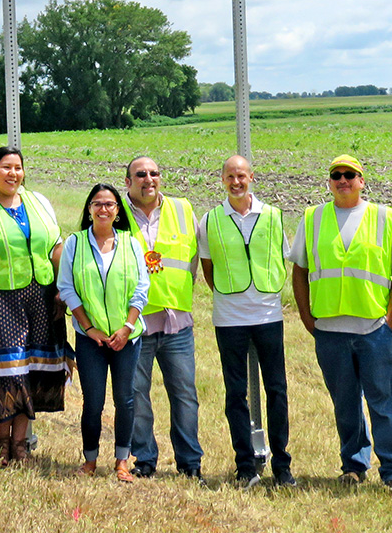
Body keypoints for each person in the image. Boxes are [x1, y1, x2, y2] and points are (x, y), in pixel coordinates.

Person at [289, 154, 392, 493]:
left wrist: (389, 319)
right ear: (329, 182)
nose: (342, 180)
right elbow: (298, 269)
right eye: (336, 175)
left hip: (373, 330)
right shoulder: (313, 218)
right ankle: (354, 465)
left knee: (383, 403)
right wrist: (304, 313)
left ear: (362, 181)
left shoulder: (384, 218)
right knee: (345, 404)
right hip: (330, 331)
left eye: (349, 175)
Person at [0, 146, 68, 465]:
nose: (13, 174)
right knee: (7, 372)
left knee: (32, 370)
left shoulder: (39, 202)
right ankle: (1, 442)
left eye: (18, 167)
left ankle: (20, 444)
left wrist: (62, 291)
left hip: (42, 300)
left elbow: (57, 247)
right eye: (6, 167)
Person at [198, 155, 294, 487]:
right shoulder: (209, 220)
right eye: (230, 177)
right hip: (229, 317)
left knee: (277, 390)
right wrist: (229, 293)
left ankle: (282, 465)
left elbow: (281, 259)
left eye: (241, 176)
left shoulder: (273, 216)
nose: (236, 182)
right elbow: (207, 268)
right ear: (222, 180)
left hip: (268, 314)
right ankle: (245, 465)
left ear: (251, 177)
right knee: (235, 392)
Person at [58, 184, 149, 482]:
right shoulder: (75, 243)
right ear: (88, 209)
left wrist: (127, 328)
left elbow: (141, 288)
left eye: (109, 204)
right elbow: (67, 288)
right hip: (90, 339)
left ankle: (122, 461)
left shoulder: (131, 243)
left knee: (125, 399)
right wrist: (89, 328)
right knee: (93, 401)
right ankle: (90, 460)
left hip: (127, 337)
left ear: (118, 211)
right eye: (97, 204)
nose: (103, 209)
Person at [123, 155, 203, 481]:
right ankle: (145, 459)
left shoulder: (183, 209)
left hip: (176, 323)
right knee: (137, 394)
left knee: (185, 395)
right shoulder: (116, 212)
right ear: (128, 181)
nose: (148, 179)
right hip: (137, 324)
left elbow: (194, 258)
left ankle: (189, 463)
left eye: (154, 173)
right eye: (140, 174)